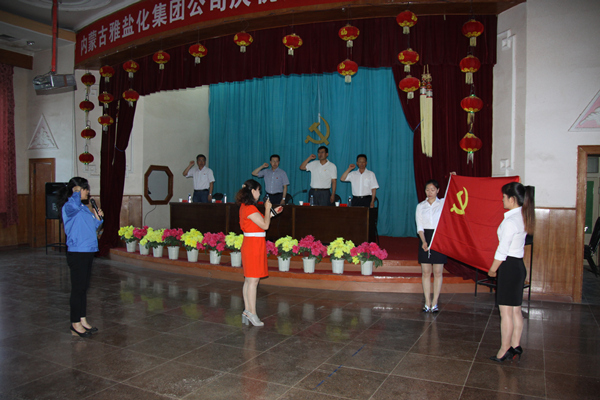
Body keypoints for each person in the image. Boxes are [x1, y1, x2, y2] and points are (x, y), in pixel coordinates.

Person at [487, 182, 535, 362]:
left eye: (504, 197)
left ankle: (504, 349)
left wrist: (493, 269)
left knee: (505, 312)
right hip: (518, 266)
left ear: (512, 199)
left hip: (508, 266)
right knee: (516, 310)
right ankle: (516, 345)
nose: (502, 199)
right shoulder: (523, 216)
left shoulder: (510, 221)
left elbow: (502, 249)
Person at [57, 177, 103, 338]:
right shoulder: (70, 206)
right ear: (76, 190)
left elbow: (91, 227)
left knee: (83, 288)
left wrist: (97, 219)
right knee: (77, 289)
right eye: (85, 189)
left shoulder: (83, 208)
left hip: (88, 250)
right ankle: (74, 323)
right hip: (77, 252)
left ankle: (82, 319)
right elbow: (74, 203)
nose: (88, 192)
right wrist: (76, 190)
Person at [236, 179, 283, 326]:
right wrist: (268, 208)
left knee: (249, 280)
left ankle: (247, 311)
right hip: (253, 245)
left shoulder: (246, 207)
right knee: (253, 281)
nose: (259, 193)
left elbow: (259, 222)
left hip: (253, 244)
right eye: (258, 190)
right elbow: (265, 225)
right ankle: (252, 313)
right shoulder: (250, 208)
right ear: (252, 191)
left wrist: (272, 212)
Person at [416, 177, 453, 313]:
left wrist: (452, 178)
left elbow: (452, 193)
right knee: (426, 272)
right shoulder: (420, 206)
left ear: (438, 190)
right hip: (425, 237)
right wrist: (424, 241)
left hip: (439, 237)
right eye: (427, 190)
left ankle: (435, 302)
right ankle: (427, 302)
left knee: (438, 272)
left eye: (432, 190)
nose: (430, 192)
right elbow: (420, 226)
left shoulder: (442, 203)